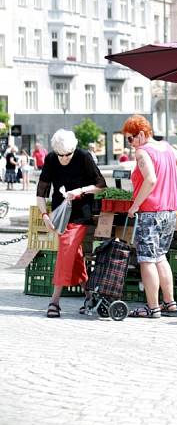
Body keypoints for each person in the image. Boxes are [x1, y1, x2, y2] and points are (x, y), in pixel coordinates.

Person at [123, 114, 177, 318]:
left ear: (141, 135)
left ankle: (152, 307)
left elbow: (150, 180)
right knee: (160, 256)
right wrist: (176, 190)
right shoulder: (167, 147)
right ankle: (169, 302)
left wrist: (135, 206)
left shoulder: (143, 152)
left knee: (146, 259)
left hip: (150, 212)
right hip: (170, 211)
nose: (130, 144)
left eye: (130, 139)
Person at [36, 129, 106, 318]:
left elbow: (101, 185)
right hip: (60, 215)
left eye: (68, 154)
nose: (64, 158)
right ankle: (90, 296)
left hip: (80, 215)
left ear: (74, 149)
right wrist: (44, 215)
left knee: (66, 250)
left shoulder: (84, 157)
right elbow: (41, 192)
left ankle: (54, 301)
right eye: (61, 155)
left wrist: (81, 191)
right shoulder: (51, 159)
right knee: (74, 255)